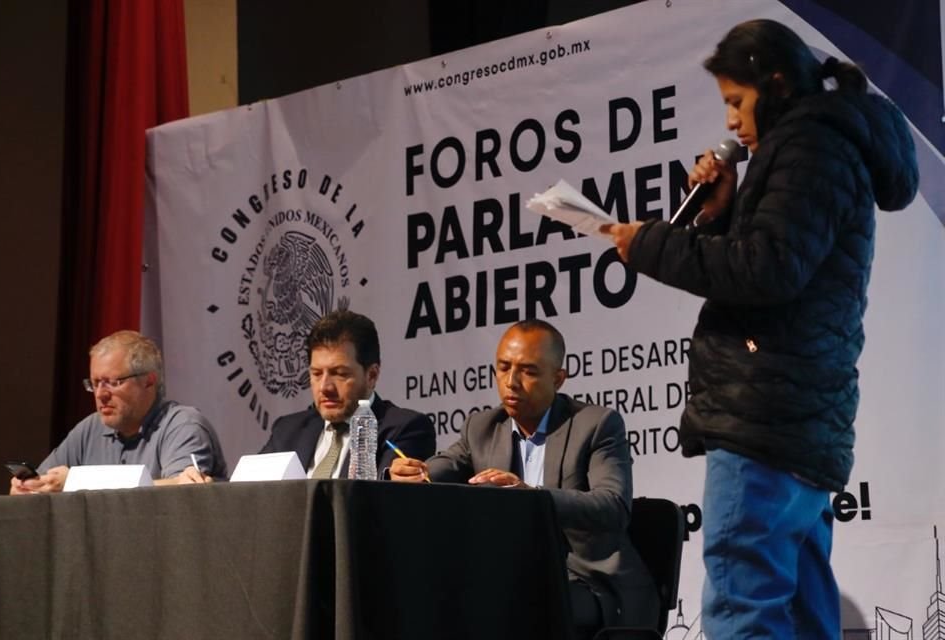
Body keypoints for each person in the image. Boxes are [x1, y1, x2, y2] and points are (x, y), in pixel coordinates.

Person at [602, 19, 918, 638]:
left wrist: (652, 245)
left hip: (765, 420)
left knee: (744, 610)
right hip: (795, 420)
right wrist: (723, 214)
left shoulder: (809, 147)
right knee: (799, 613)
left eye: (736, 102)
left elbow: (765, 271)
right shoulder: (822, 146)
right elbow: (777, 264)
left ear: (775, 85)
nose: (729, 123)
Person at [390, 319, 659, 638]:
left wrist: (530, 497)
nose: (511, 382)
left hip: (591, 582)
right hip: (513, 577)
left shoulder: (597, 425)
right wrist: (414, 474)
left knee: (506, 602)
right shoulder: (483, 427)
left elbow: (613, 507)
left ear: (558, 378)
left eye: (528, 372)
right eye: (502, 368)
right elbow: (440, 467)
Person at [10, 330, 227, 494]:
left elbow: (182, 488)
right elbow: (41, 483)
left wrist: (78, 482)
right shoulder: (90, 428)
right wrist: (28, 486)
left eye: (113, 382)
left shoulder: (183, 425)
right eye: (95, 383)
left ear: (148, 381)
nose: (100, 394)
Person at [259, 310, 435, 478]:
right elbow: (248, 493)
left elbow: (383, 499)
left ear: (371, 375)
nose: (325, 387)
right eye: (316, 374)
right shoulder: (287, 431)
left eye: (340, 373)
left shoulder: (405, 429)